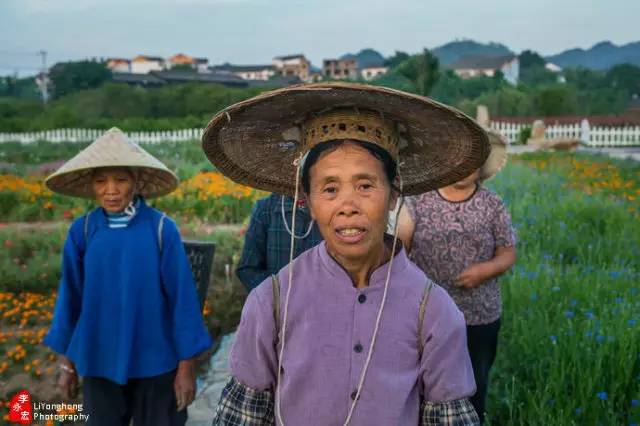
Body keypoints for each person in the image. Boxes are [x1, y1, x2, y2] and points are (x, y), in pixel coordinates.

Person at [201, 83, 492, 425]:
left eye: (365, 186)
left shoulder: (434, 310)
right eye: (330, 189)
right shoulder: (272, 301)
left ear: (394, 193)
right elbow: (242, 417)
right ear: (308, 201)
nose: (347, 206)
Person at [43, 128, 213, 426]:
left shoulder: (161, 229)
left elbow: (182, 300)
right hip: (99, 359)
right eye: (101, 181)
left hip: (157, 361)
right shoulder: (82, 232)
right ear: (91, 186)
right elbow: (70, 300)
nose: (111, 190)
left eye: (120, 180)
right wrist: (68, 365)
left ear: (136, 182)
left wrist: (186, 367)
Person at [397, 130, 516, 424]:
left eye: (473, 159)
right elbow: (399, 250)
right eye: (458, 159)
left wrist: (485, 270)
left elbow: (507, 253)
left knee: (474, 382)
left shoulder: (492, 204)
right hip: (427, 317)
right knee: (426, 385)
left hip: (480, 314)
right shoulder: (418, 203)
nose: (465, 166)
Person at [236, 193, 322, 291]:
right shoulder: (266, 209)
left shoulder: (331, 208)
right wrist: (276, 294)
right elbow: (248, 269)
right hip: (277, 302)